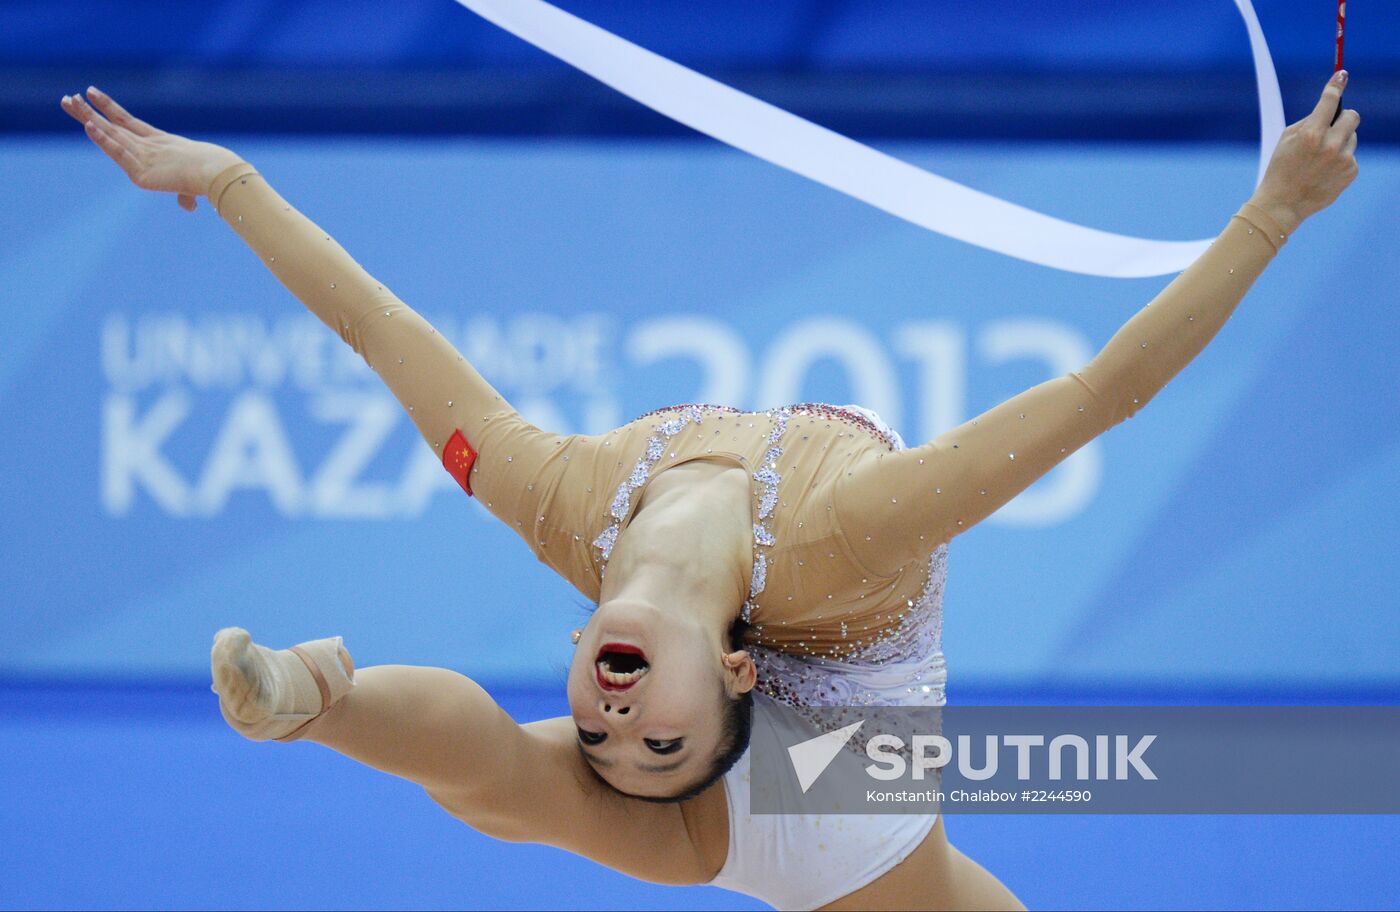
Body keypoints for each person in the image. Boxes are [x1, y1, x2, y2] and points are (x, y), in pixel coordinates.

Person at [61, 70, 1358, 910]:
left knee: (517, 785)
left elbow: (375, 329)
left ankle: (314, 698)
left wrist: (231, 179)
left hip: (791, 813)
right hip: (847, 786)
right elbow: (1100, 395)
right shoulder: (853, 535)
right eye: (655, 741)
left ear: (580, 645)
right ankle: (314, 698)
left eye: (607, 730)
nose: (619, 727)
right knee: (557, 786)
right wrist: (1275, 212)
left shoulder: (565, 502)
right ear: (735, 679)